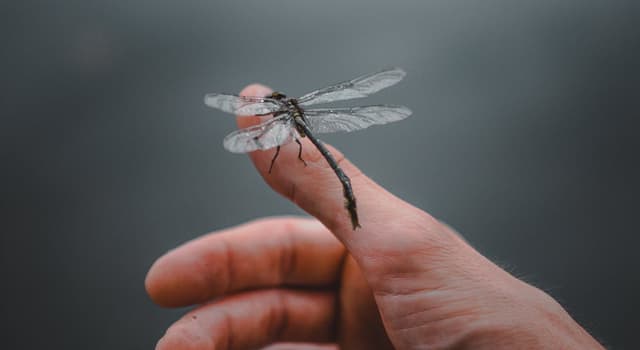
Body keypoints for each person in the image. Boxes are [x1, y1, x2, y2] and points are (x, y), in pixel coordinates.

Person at [145, 84, 604, 349]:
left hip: (304, 153)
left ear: (279, 109)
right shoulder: (292, 117)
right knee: (302, 155)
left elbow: (262, 134)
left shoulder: (279, 123)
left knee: (291, 157)